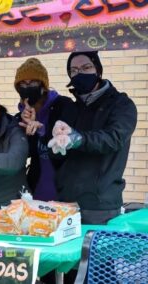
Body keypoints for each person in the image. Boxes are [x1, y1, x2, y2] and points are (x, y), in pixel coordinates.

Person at [48, 51, 137, 225]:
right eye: (73, 70)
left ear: (98, 70)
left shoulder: (121, 104)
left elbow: (114, 138)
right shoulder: (71, 108)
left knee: (95, 252)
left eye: (86, 67)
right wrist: (55, 143)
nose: (79, 74)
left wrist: (78, 139)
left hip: (100, 205)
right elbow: (59, 156)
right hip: (66, 203)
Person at [14, 58, 74, 202]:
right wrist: (26, 130)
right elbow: (26, 154)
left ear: (43, 86)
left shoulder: (63, 105)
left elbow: (68, 144)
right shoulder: (19, 118)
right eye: (22, 83)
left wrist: (42, 130)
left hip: (64, 189)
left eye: (32, 82)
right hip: (36, 189)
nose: (27, 87)